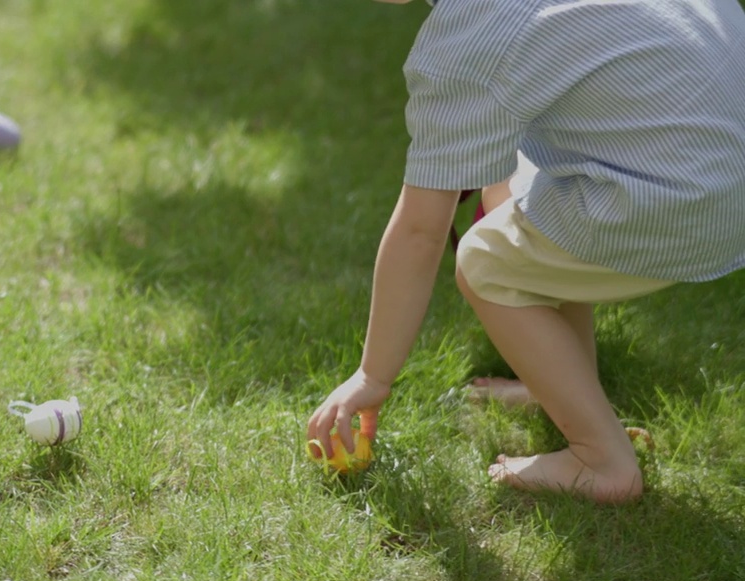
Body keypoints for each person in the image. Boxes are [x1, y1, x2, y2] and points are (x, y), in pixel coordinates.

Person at [307, 0, 745, 504]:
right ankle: (557, 383)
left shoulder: (468, 46)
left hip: (684, 203)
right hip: (723, 171)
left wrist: (371, 375)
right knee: (517, 192)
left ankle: (602, 458)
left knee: (487, 263)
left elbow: (419, 232)